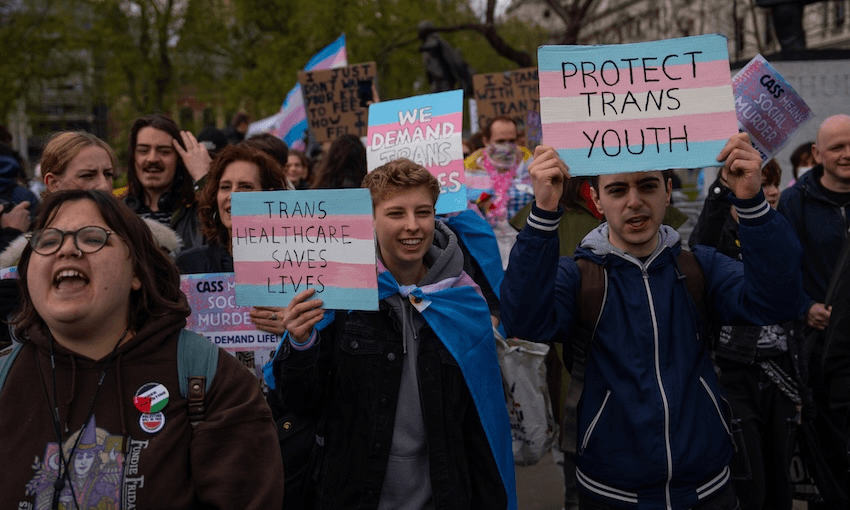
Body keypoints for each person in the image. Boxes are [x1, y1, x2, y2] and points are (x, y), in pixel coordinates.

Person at [501, 133, 805, 510]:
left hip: (708, 488)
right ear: (596, 200)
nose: (634, 201)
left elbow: (779, 301)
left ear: (667, 191)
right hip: (612, 491)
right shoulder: (577, 276)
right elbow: (524, 321)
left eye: (647, 185)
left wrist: (752, 202)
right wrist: (544, 212)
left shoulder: (700, 267)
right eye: (616, 190)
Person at [0, 189, 283, 508]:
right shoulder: (6, 378)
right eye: (48, 240)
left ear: (136, 271)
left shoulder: (211, 378)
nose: (67, 250)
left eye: (92, 238)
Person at [274, 158, 515, 509]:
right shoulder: (339, 297)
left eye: (423, 212)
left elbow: (482, 425)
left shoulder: (463, 299)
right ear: (370, 219)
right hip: (354, 495)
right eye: (396, 213)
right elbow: (301, 402)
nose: (412, 226)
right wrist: (301, 342)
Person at [690, 159, 802, 510]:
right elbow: (701, 243)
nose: (767, 191)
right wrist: (723, 190)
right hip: (734, 376)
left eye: (771, 184)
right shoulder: (715, 245)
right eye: (758, 183)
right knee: (747, 478)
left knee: (780, 478)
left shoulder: (780, 231)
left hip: (783, 375)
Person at [777, 113, 850, 507]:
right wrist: (804, 308)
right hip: (824, 355)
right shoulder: (794, 203)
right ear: (817, 154)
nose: (847, 154)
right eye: (837, 147)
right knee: (832, 449)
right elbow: (781, 272)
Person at [176, 144, 291, 336]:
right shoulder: (188, 266)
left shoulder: (296, 268)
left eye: (245, 186)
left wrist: (294, 332)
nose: (233, 195)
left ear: (270, 198)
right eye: (225, 187)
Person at [123, 114, 211, 254]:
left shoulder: (200, 213)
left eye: (164, 151)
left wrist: (205, 179)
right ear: (133, 157)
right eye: (143, 151)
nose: (152, 159)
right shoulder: (117, 212)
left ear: (179, 160)